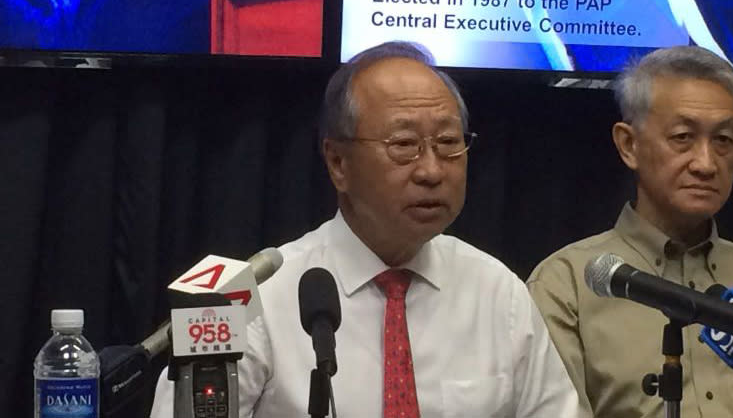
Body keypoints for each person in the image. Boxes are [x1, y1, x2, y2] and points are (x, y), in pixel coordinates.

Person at [150, 41, 580, 417]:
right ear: (338, 163)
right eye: (404, 145)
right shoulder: (256, 298)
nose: (431, 170)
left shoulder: (496, 292)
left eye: (449, 143)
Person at [527, 45, 733, 418]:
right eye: (683, 136)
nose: (705, 164)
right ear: (629, 145)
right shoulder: (566, 285)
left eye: (723, 141)